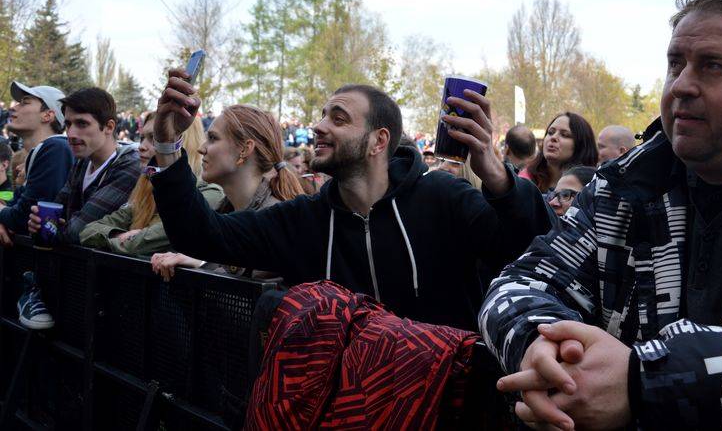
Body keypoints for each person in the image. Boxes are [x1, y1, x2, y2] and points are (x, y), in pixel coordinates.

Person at [480, 0, 722, 430]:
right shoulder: (621, 188)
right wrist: (542, 348)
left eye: (713, 65)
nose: (681, 85)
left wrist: (645, 383)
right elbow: (518, 283)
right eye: (676, 64)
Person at [150, 80, 548, 331]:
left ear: (378, 141)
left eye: (338, 119)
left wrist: (498, 178)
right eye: (323, 115)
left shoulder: (442, 197)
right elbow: (203, 235)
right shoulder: (304, 220)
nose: (319, 126)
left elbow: (529, 249)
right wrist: (167, 147)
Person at [150, 104, 306, 280]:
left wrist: (202, 264)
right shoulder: (224, 211)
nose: (202, 148)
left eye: (213, 138)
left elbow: (248, 294)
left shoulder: (274, 226)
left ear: (244, 149)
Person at [79, 114, 224, 255]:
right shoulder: (146, 189)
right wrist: (119, 235)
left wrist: (129, 239)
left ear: (180, 143)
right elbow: (87, 231)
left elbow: (138, 245)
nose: (141, 146)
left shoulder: (208, 193)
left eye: (155, 139)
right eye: (142, 138)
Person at [28, 87, 140, 244]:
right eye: (68, 124)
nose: (71, 133)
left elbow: (77, 232)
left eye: (82, 124)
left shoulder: (129, 166)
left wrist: (51, 228)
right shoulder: (83, 162)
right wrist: (37, 223)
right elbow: (52, 216)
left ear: (109, 127)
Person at [0, 82, 73, 245]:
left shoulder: (56, 148)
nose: (14, 108)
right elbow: (13, 208)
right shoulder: (40, 152)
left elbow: (22, 218)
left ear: (47, 115)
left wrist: (6, 216)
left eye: (24, 102)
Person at [520, 112, 598, 193]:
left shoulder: (594, 187)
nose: (553, 137)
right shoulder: (524, 181)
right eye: (550, 132)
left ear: (581, 145)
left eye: (564, 135)